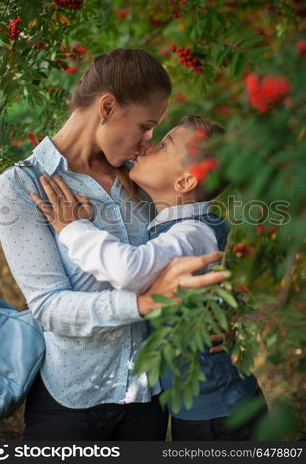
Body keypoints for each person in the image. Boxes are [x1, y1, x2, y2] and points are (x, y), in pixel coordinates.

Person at [0, 48, 228, 441]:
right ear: (107, 107)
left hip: (147, 396)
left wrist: (209, 310)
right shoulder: (25, 185)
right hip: (71, 399)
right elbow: (49, 306)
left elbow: (184, 241)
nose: (148, 140)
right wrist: (140, 303)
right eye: (146, 125)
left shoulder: (140, 178)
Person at [31, 115, 268, 441]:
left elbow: (130, 270)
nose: (146, 147)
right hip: (201, 407)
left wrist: (73, 228)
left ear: (186, 181)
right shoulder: (169, 221)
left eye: (162, 146)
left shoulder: (193, 232)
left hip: (220, 412)